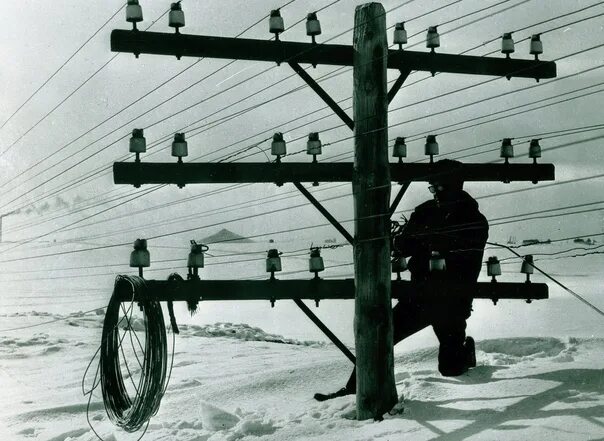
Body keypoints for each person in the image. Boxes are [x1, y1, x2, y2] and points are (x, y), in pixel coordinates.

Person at [314, 159, 489, 401]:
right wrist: (424, 242)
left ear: (455, 186)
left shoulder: (475, 220)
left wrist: (423, 241)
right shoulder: (425, 211)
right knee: (381, 338)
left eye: (440, 187)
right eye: (432, 187)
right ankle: (353, 390)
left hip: (451, 302)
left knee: (449, 369)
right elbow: (404, 245)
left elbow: (460, 255)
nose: (435, 193)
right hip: (418, 296)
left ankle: (464, 352)